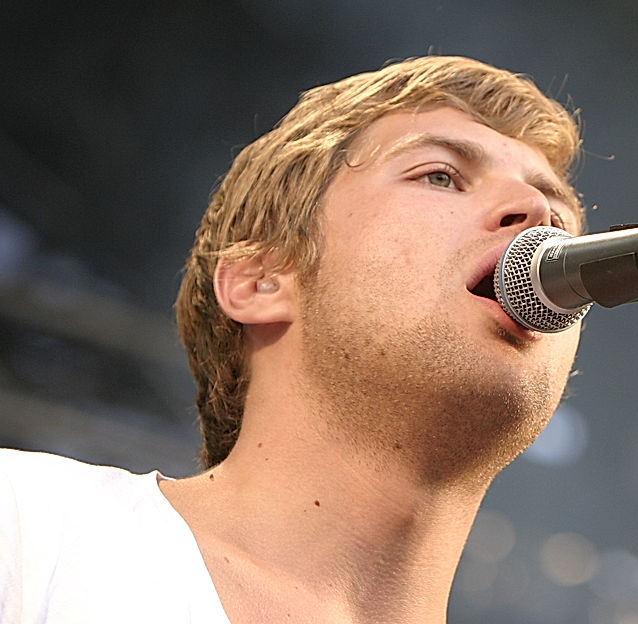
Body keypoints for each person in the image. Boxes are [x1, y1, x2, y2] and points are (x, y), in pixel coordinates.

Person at [0, 55, 588, 624]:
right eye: (440, 176)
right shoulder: (28, 530)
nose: (536, 212)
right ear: (262, 282)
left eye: (558, 221)